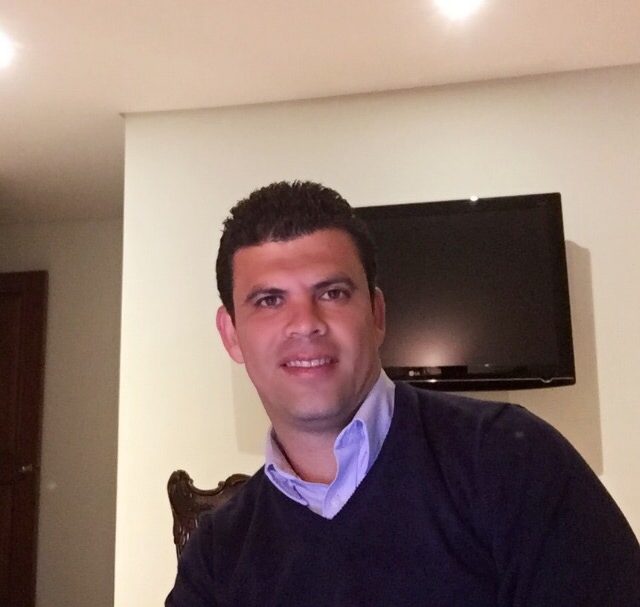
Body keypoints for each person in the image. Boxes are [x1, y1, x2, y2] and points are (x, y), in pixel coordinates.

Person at [167, 180, 640, 606]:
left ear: (376, 314)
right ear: (231, 334)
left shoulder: (511, 459)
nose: (306, 323)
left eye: (332, 293)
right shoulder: (216, 555)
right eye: (270, 300)